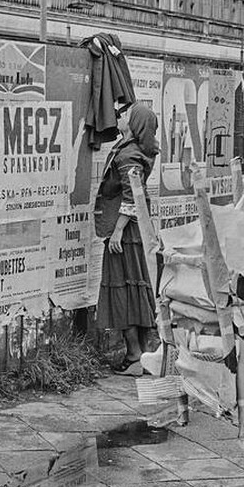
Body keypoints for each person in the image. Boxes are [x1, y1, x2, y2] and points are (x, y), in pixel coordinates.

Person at [94, 104, 159, 373]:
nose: (119, 117)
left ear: (135, 124)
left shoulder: (129, 155)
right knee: (136, 288)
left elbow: (133, 195)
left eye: (125, 115)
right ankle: (142, 354)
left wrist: (118, 230)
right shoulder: (137, 150)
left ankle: (134, 354)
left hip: (125, 231)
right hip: (137, 230)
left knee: (122, 290)